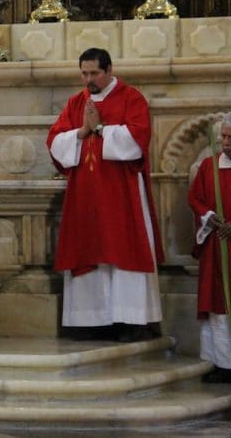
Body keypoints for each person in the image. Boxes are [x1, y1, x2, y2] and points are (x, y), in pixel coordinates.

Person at [47, 47, 163, 342]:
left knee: (123, 248)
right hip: (85, 195)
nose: (89, 79)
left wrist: (101, 128)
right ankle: (92, 321)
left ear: (109, 70)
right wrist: (81, 133)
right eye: (84, 73)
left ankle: (132, 321)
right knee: (87, 249)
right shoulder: (77, 102)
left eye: (95, 73)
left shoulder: (131, 97)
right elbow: (55, 141)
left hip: (121, 192)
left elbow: (138, 138)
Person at [188, 113, 231, 383]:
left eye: (230, 137)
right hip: (216, 246)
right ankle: (221, 362)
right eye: (223, 137)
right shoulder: (208, 167)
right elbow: (195, 197)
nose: (225, 142)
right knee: (217, 305)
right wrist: (208, 216)